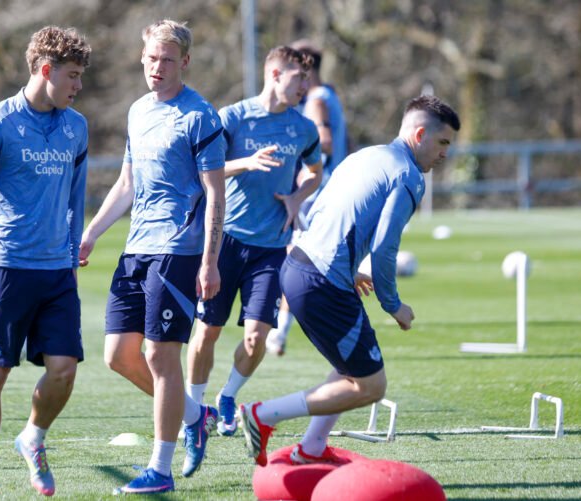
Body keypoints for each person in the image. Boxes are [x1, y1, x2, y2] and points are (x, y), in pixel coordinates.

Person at [240, 95, 460, 466]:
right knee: (372, 386)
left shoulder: (366, 156)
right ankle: (264, 415)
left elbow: (326, 211)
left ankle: (311, 448)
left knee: (350, 367)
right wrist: (394, 306)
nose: (444, 155)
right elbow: (386, 248)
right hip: (321, 281)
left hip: (298, 265)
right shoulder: (406, 176)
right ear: (420, 134)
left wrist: (347, 265)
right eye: (442, 143)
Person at [77, 20, 225, 495]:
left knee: (160, 356)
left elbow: (215, 195)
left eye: (166, 60)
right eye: (150, 58)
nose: (156, 68)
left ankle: (160, 470)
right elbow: (127, 184)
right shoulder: (138, 111)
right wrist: (92, 233)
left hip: (178, 250)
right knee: (118, 355)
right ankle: (195, 416)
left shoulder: (200, 116)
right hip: (136, 248)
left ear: (184, 61)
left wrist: (209, 260)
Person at [0, 26, 91, 500]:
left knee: (64, 370)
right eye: (72, 76)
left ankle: (32, 436)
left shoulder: (76, 126)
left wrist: (74, 252)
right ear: (45, 70)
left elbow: (77, 197)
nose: (78, 87)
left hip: (57, 271)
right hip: (8, 268)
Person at [184, 46, 322, 437]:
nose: (305, 88)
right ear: (275, 74)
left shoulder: (304, 128)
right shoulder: (233, 118)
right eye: (299, 79)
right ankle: (195, 412)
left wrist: (298, 196)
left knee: (258, 334)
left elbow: (315, 171)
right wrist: (247, 162)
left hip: (272, 248)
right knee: (207, 332)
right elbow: (204, 171)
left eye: (307, 81)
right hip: (225, 242)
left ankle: (228, 395)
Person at [266, 40, 349, 357]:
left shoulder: (315, 100)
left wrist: (296, 160)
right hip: (330, 190)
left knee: (295, 262)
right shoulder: (330, 94)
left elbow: (324, 142)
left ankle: (281, 332)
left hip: (316, 194)